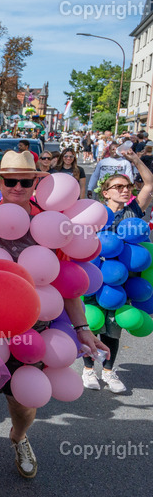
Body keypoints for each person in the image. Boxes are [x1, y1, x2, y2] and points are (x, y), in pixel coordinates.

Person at [0, 150, 108, 490]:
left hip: (32, 328)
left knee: (23, 403)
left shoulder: (52, 225)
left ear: (35, 184)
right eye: (9, 180)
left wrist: (83, 329)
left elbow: (68, 284)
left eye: (24, 181)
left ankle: (19, 437)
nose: (16, 186)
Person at [81, 153, 153, 393]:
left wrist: (136, 161)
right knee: (91, 323)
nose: (125, 191)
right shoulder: (95, 213)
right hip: (95, 279)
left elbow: (150, 183)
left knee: (113, 327)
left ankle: (110, 372)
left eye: (128, 187)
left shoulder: (133, 211)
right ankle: (89, 370)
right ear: (106, 192)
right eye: (118, 187)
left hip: (122, 282)